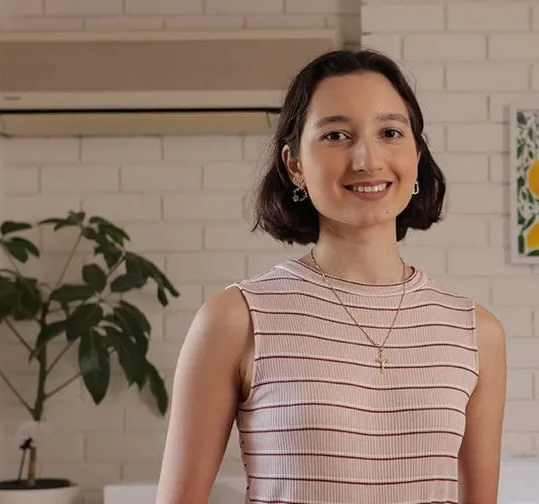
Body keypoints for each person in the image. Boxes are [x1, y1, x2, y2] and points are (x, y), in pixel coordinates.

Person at [155, 49, 507, 504]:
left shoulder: (476, 332)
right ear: (294, 164)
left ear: (416, 156)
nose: (367, 159)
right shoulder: (236, 319)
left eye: (390, 133)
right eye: (337, 135)